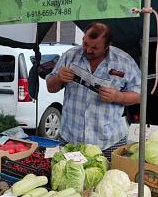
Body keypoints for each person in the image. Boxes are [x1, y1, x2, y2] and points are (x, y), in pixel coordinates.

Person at [46, 22, 141, 160]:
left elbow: (139, 96)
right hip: (70, 139)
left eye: (95, 47)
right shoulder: (70, 56)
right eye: (85, 44)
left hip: (109, 141)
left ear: (107, 46)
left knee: (110, 180)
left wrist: (118, 96)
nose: (88, 50)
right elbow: (50, 87)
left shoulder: (124, 61)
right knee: (70, 178)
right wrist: (59, 78)